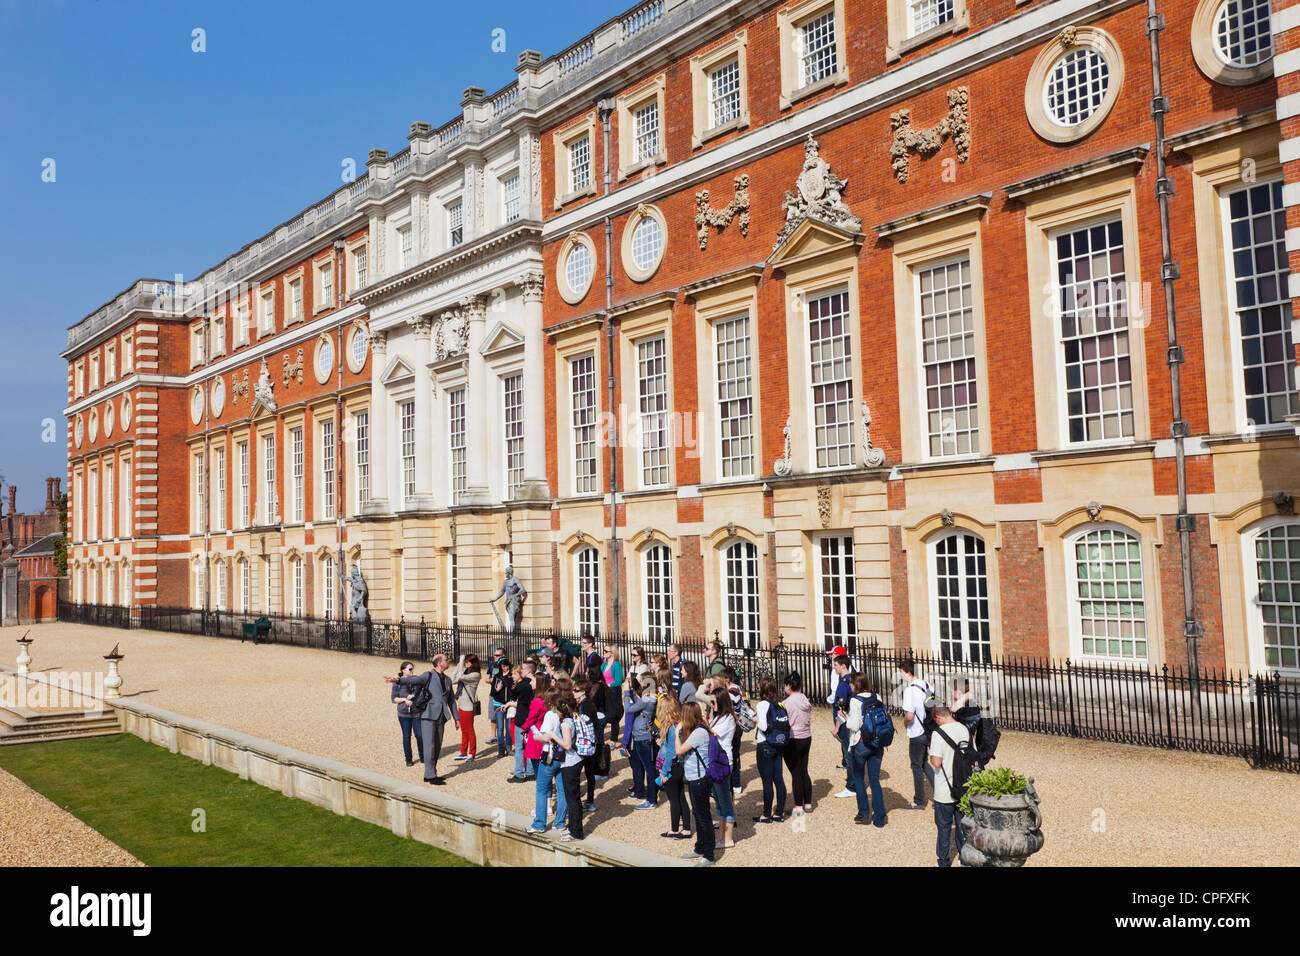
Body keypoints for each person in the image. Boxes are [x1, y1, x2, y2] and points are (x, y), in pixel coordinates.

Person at [386, 654, 458, 785]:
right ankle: (430, 775)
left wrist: (456, 719)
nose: (448, 661)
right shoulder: (428, 675)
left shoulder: (447, 680)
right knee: (429, 746)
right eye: (446, 660)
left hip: (441, 717)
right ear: (439, 663)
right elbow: (413, 680)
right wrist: (397, 680)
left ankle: (431, 773)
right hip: (428, 716)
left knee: (437, 746)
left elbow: (451, 700)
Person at [527, 688, 574, 837]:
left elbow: (546, 737)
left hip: (550, 757)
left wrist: (535, 737)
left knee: (541, 789)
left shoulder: (550, 715)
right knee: (562, 791)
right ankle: (559, 822)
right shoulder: (567, 717)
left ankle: (539, 823)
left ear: (552, 705)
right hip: (564, 757)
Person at [673, 701, 716, 866]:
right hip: (692, 778)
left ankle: (709, 855)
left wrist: (677, 732)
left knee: (704, 817)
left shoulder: (699, 733)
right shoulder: (694, 731)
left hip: (699, 780)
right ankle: (699, 847)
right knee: (697, 814)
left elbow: (679, 751)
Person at [844, 673, 887, 828]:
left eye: (851, 683)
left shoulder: (855, 700)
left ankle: (863, 813)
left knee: (859, 777)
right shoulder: (877, 696)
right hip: (877, 742)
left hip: (861, 743)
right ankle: (880, 817)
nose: (849, 685)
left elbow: (854, 726)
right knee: (874, 779)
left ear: (856, 684)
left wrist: (845, 718)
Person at [929, 706, 970, 867]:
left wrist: (931, 754)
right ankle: (964, 858)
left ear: (938, 717)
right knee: (962, 826)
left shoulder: (938, 734)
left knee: (944, 827)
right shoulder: (964, 729)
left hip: (945, 788)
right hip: (964, 785)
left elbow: (937, 762)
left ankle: (943, 861)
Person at [653, 694, 691, 840]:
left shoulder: (670, 728)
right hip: (679, 766)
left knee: (673, 799)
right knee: (681, 797)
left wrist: (664, 771)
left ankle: (674, 829)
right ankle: (686, 828)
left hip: (671, 767)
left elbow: (671, 753)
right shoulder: (679, 724)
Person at [899, 658, 934, 810]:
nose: (900, 675)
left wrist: (904, 724)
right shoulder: (926, 685)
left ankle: (919, 800)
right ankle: (939, 794)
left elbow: (909, 716)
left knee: (916, 766)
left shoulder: (909, 690)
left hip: (916, 732)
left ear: (908, 673)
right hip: (928, 730)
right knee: (924, 763)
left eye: (901, 672)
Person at [752, 675, 787, 823]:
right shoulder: (779, 704)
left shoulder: (762, 705)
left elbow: (764, 726)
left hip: (765, 743)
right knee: (778, 779)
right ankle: (779, 812)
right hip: (778, 744)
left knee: (767, 781)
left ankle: (766, 814)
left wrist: (755, 719)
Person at [624, 674, 659, 809]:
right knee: (649, 768)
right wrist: (632, 692)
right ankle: (651, 797)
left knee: (649, 770)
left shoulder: (647, 700)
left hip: (643, 738)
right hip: (642, 737)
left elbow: (628, 709)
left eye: (641, 681)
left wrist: (627, 693)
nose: (639, 683)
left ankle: (651, 799)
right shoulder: (649, 698)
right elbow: (638, 702)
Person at [708, 687, 737, 848]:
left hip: (724, 762)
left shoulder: (728, 718)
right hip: (715, 761)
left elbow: (711, 733)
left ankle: (728, 838)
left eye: (713, 701)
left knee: (725, 801)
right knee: (719, 802)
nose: (711, 704)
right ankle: (721, 837)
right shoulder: (718, 717)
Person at [782, 672, 814, 812]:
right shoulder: (805, 700)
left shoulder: (786, 703)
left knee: (796, 773)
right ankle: (808, 803)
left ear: (789, 686)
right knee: (804, 770)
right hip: (806, 737)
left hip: (793, 738)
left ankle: (798, 805)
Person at [574, 679, 602, 813]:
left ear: (583, 692)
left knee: (581, 773)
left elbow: (582, 726)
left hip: (584, 744)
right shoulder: (587, 704)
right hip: (590, 744)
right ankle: (589, 800)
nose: (573, 692)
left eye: (576, 690)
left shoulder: (585, 706)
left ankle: (586, 801)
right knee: (589, 774)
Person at [830, 654, 856, 797]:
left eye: (835, 665)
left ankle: (851, 787)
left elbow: (841, 708)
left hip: (845, 724)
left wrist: (836, 728)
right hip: (854, 721)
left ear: (843, 665)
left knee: (849, 756)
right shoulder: (854, 680)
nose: (834, 668)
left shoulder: (842, 684)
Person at [392, 661, 426, 767]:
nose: (412, 671)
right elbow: (393, 699)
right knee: (407, 736)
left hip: (417, 712)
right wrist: (404, 699)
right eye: (410, 669)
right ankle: (408, 758)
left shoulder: (417, 680)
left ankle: (423, 756)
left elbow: (423, 692)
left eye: (412, 669)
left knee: (420, 735)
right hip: (403, 714)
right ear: (403, 670)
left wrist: (415, 695)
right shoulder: (397, 683)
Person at [507, 660, 536, 781]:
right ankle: (530, 772)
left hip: (522, 718)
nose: (521, 671)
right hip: (532, 718)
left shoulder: (522, 685)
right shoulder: (537, 681)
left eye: (523, 669)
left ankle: (519, 773)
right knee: (529, 745)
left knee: (519, 747)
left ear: (528, 670)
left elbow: (513, 695)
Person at [520, 673, 552, 784]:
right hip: (546, 732)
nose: (530, 683)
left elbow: (530, 719)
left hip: (536, 733)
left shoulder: (536, 701)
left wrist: (523, 727)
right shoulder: (548, 699)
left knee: (538, 767)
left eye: (532, 681)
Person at [450, 653, 481, 761]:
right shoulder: (466, 671)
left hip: (468, 706)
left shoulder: (475, 674)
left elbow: (460, 677)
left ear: (472, 663)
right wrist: (458, 667)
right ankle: (463, 751)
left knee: (469, 730)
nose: (465, 663)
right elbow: (452, 679)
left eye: (467, 661)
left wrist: (461, 664)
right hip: (461, 704)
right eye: (465, 661)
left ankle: (472, 752)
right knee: (463, 730)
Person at [723, 667, 746, 796]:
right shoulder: (740, 689)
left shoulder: (731, 693)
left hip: (734, 726)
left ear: (727, 679)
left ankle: (735, 783)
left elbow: (729, 709)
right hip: (738, 727)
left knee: (732, 755)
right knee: (735, 753)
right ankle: (736, 782)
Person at [488, 659, 514, 759]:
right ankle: (501, 749)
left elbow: (514, 690)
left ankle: (509, 748)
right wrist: (497, 689)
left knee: (508, 728)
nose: (505, 668)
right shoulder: (497, 677)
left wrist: (507, 678)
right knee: (500, 729)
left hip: (509, 705)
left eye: (507, 665)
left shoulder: (512, 676)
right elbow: (492, 693)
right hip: (498, 705)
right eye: (503, 666)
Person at [484, 646, 508, 747]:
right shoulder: (492, 665)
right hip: (494, 693)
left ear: (503, 655)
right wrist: (493, 680)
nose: (495, 657)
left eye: (497, 655)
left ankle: (507, 737)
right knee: (493, 715)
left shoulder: (507, 666)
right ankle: (494, 736)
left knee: (506, 717)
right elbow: (486, 679)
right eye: (494, 655)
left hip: (506, 695)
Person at [601, 645, 625, 742]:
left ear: (612, 653)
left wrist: (608, 685)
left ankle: (613, 740)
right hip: (604, 694)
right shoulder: (604, 664)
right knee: (602, 716)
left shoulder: (616, 665)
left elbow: (618, 681)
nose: (604, 652)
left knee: (614, 718)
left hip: (613, 694)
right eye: (604, 650)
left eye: (606, 651)